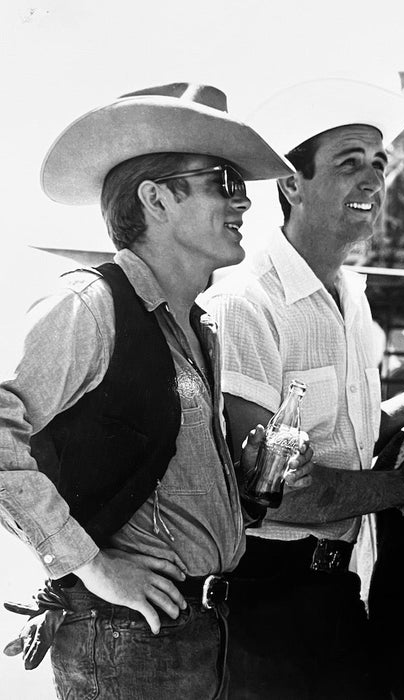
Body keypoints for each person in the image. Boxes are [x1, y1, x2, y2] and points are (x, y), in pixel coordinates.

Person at [0, 82, 313, 700]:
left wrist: (245, 487)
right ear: (157, 200)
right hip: (127, 639)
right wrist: (91, 564)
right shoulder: (90, 306)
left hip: (199, 631)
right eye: (224, 182)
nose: (245, 203)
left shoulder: (197, 327)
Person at [202, 78, 404, 699]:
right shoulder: (247, 303)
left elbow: (336, 434)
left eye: (379, 165)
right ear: (290, 185)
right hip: (262, 605)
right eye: (349, 164)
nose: (372, 181)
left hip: (335, 590)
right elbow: (271, 495)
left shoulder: (351, 297)